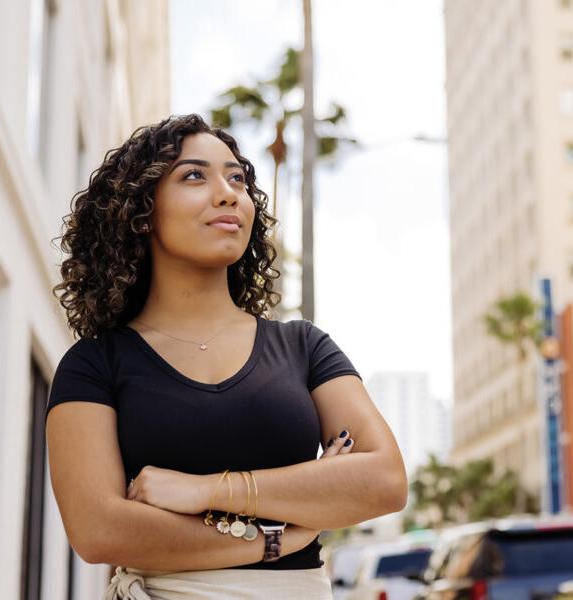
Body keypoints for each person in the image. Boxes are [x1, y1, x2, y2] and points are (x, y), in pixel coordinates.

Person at [46, 113, 407, 599]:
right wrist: (274, 539)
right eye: (194, 175)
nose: (228, 192)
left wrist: (207, 490)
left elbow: (383, 480)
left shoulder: (303, 347)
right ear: (141, 210)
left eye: (236, 178)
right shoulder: (95, 365)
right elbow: (99, 530)